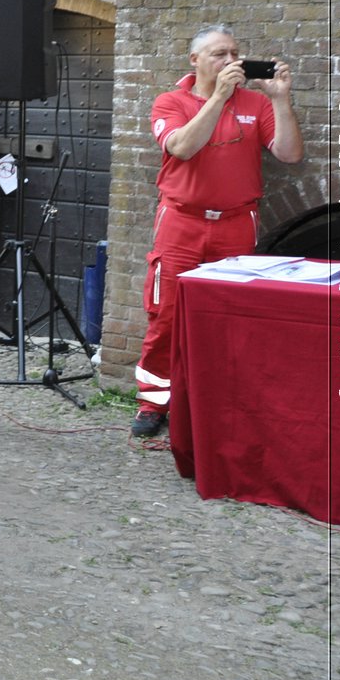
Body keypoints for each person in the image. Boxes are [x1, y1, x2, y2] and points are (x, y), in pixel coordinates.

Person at [131, 24, 301, 437]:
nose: (230, 61)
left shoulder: (255, 104)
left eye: (234, 53)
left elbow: (290, 154)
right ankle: (153, 404)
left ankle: (219, 406)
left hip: (235, 224)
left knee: (228, 318)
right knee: (166, 316)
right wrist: (220, 98)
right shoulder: (171, 101)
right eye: (219, 54)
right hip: (181, 223)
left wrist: (280, 101)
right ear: (195, 60)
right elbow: (182, 147)